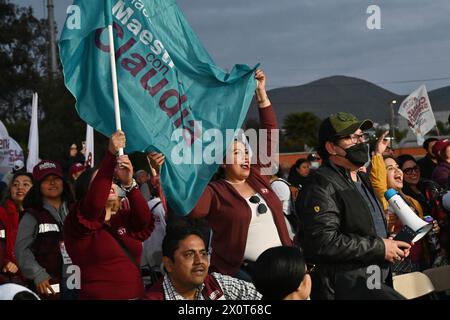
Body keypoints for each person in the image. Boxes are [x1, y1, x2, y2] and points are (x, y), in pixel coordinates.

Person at [187, 69, 292, 281]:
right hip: (244, 278)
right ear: (222, 161)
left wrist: (261, 93)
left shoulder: (258, 176)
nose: (245, 157)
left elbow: (269, 133)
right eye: (236, 152)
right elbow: (191, 208)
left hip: (285, 270)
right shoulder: (214, 192)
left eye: (245, 152)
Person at [297, 112, 411, 300]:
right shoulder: (321, 185)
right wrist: (380, 247)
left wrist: (391, 243)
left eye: (361, 136)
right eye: (352, 137)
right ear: (331, 147)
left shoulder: (362, 179)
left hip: (373, 280)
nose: (360, 142)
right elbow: (324, 242)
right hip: (345, 287)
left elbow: (364, 230)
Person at [63, 130, 154, 300]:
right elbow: (94, 204)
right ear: (87, 192)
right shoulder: (78, 222)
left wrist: (130, 184)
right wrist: (111, 154)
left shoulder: (123, 217)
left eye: (112, 181)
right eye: (103, 183)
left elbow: (144, 221)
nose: (110, 185)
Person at [370, 132, 439, 273]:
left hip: (419, 263)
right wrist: (377, 155)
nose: (397, 171)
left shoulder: (411, 200)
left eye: (397, 167)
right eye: (390, 168)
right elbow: (378, 183)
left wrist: (431, 227)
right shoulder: (382, 199)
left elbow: (417, 230)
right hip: (398, 266)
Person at [143, 218, 261, 300]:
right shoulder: (155, 297)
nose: (199, 261)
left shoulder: (216, 283)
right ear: (168, 264)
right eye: (189, 254)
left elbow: (263, 295)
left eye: (203, 253)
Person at [15, 160, 74, 299]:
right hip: (49, 282)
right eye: (46, 180)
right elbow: (21, 250)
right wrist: (37, 274)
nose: (52, 183)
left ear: (63, 182)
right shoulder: (32, 215)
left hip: (78, 279)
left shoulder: (75, 209)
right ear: (38, 186)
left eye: (56, 179)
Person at [0, 172, 33, 285]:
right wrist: (4, 262)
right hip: (10, 280)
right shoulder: (1, 214)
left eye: (26, 184)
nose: (20, 187)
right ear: (10, 190)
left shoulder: (42, 215)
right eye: (15, 184)